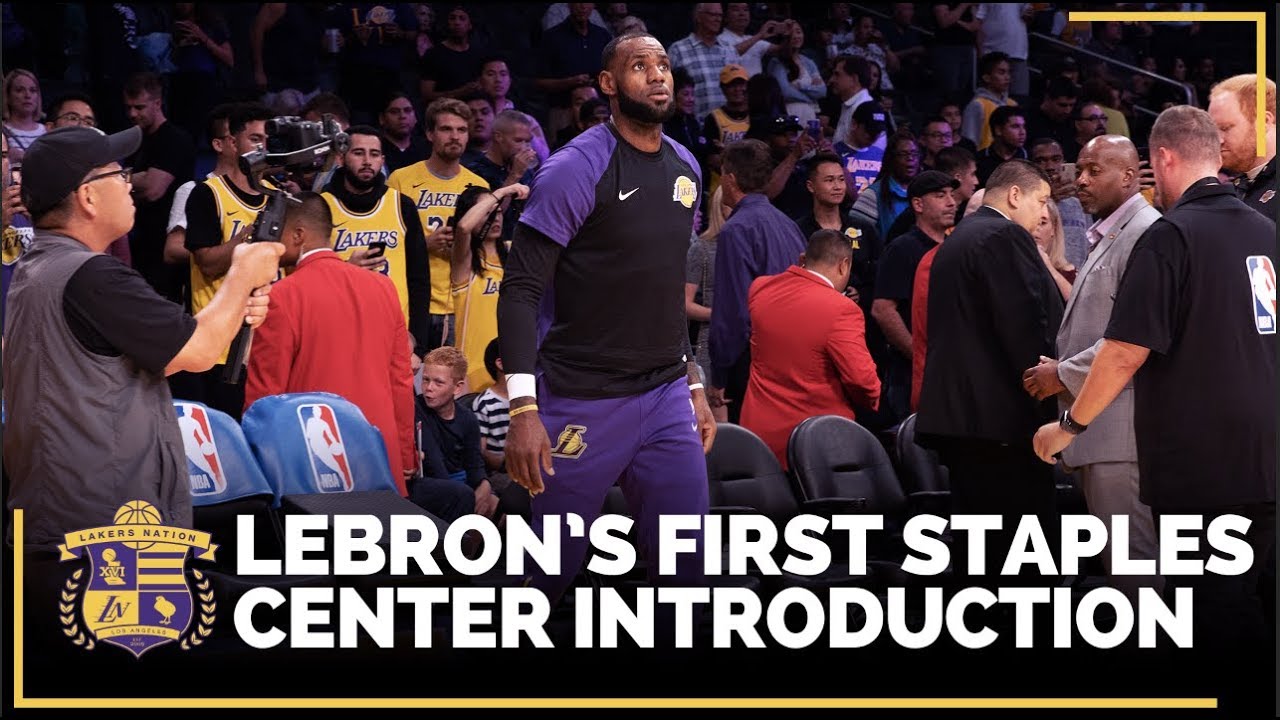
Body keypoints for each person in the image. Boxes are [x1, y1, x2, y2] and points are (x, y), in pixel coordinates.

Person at [1033, 107, 1275, 686]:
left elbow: (1124, 349)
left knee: (1210, 611)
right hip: (1265, 456)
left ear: (1161, 159)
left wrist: (1068, 426)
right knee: (1244, 599)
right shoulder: (1266, 232)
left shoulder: (1172, 234)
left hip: (1204, 461)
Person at [496, 32, 716, 610]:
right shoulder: (574, 169)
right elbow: (519, 290)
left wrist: (691, 380)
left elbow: (662, 287)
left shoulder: (687, 166)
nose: (658, 75)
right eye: (640, 66)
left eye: (664, 64)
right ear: (609, 85)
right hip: (581, 398)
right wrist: (523, 409)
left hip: (666, 394)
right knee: (546, 575)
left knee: (688, 568)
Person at [5, 125, 282, 550]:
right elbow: (200, 350)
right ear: (88, 196)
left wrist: (234, 303)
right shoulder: (92, 276)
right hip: (102, 530)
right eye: (118, 173)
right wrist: (242, 274)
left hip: (61, 519)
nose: (128, 182)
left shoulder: (39, 267)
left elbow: (159, 357)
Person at [1022, 134, 1161, 602]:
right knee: (1127, 564)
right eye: (1079, 169)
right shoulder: (1113, 231)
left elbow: (1131, 338)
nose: (1080, 180)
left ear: (1129, 175)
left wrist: (1062, 373)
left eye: (1095, 170)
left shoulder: (1145, 232)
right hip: (1101, 428)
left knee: (1134, 566)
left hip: (1118, 430)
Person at [916, 158, 1062, 588]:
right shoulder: (1003, 234)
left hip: (965, 424)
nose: (1043, 213)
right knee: (1020, 555)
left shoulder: (960, 237)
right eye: (1041, 200)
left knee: (979, 554)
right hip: (1001, 424)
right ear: (1015, 195)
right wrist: (1051, 383)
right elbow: (1023, 325)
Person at [242, 191, 420, 494]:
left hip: (313, 463)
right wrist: (405, 455)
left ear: (299, 235)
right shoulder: (383, 287)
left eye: (277, 233)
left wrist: (258, 469)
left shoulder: (282, 296)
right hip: (380, 456)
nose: (270, 244)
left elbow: (265, 396)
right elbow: (401, 382)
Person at [740, 229, 880, 468]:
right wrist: (871, 402)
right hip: (817, 446)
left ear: (803, 258)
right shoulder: (842, 310)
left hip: (759, 439)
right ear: (844, 265)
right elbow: (862, 381)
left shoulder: (761, 289)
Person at [450, 182, 528, 394]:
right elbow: (464, 228)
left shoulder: (513, 253)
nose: (495, 218)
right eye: (488, 212)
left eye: (500, 212)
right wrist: (500, 194)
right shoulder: (464, 262)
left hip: (513, 371)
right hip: (472, 376)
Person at [416, 346, 499, 519]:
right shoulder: (416, 409)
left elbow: (474, 464)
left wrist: (484, 484)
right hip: (433, 482)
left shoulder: (467, 419)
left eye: (438, 382)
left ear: (457, 388)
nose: (429, 388)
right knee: (461, 497)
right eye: (425, 380)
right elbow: (434, 463)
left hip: (460, 478)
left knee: (494, 503)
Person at [1207, 74, 1276, 218]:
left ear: (1264, 122)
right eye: (1213, 131)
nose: (1217, 140)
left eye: (1225, 128)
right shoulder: (1233, 188)